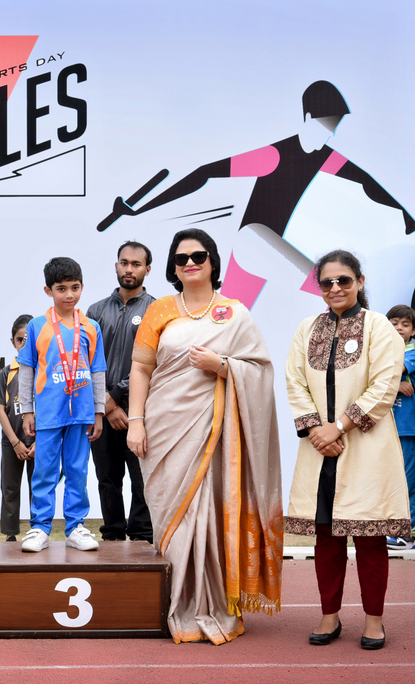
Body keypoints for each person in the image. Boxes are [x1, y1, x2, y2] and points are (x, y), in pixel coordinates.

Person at [101, 81, 415, 309]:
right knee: (323, 282)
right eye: (325, 125)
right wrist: (141, 209)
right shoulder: (275, 156)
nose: (329, 134)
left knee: (226, 322)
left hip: (260, 257)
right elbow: (204, 173)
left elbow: (366, 183)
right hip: (253, 241)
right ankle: (357, 314)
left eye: (334, 127)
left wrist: (404, 214)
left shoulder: (325, 157)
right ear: (307, 118)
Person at [126, 228, 282, 644]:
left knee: (208, 513)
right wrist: (136, 421)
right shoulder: (159, 309)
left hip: (215, 433)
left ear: (213, 261)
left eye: (198, 256)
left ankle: (210, 602)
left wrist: (223, 365)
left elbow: (260, 371)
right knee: (169, 516)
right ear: (173, 268)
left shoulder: (235, 313)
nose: (190, 263)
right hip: (163, 428)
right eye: (181, 259)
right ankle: (173, 603)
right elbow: (140, 369)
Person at [285, 250, 409, 650]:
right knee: (326, 537)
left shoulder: (379, 327)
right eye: (327, 282)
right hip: (319, 450)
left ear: (360, 281)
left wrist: (337, 427)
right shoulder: (307, 328)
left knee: (370, 538)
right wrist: (316, 431)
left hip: (367, 447)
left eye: (344, 280)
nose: (335, 288)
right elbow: (294, 381)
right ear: (319, 286)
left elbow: (384, 385)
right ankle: (329, 615)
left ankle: (374, 621)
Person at [17, 258, 106, 553]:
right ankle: (40, 527)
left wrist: (99, 411)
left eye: (75, 288)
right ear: (48, 290)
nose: (69, 295)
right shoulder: (37, 326)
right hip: (48, 413)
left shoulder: (91, 327)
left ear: (82, 287)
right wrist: (27, 411)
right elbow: (27, 370)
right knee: (45, 471)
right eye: (62, 288)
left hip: (81, 414)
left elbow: (97, 372)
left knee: (77, 471)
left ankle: (75, 527)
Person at [86, 241, 155, 544]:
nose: (129, 269)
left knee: (142, 481)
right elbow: (85, 361)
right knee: (107, 479)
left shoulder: (155, 310)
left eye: (136, 264)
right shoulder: (95, 311)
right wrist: (108, 406)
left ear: (147, 270)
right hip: (102, 412)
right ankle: (112, 536)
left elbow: (153, 362)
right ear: (116, 266)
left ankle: (141, 537)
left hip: (140, 413)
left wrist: (117, 398)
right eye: (124, 263)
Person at [0, 314, 35, 542]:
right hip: (11, 442)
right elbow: (0, 410)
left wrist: (40, 442)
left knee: (39, 489)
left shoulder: (44, 372)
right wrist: (15, 443)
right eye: (20, 340)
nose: (24, 344)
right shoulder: (7, 373)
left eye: (29, 339)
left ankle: (39, 530)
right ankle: (9, 535)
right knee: (9, 488)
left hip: (39, 443)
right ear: (13, 342)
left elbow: (51, 409)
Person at [385, 304, 415, 549]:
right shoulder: (381, 350)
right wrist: (395, 385)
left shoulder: (412, 350)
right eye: (394, 323)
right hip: (385, 427)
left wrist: (391, 382)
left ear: (413, 331)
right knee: (391, 479)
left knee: (407, 480)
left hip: (407, 428)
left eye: (405, 324)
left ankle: (407, 533)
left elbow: (395, 369)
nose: (399, 328)